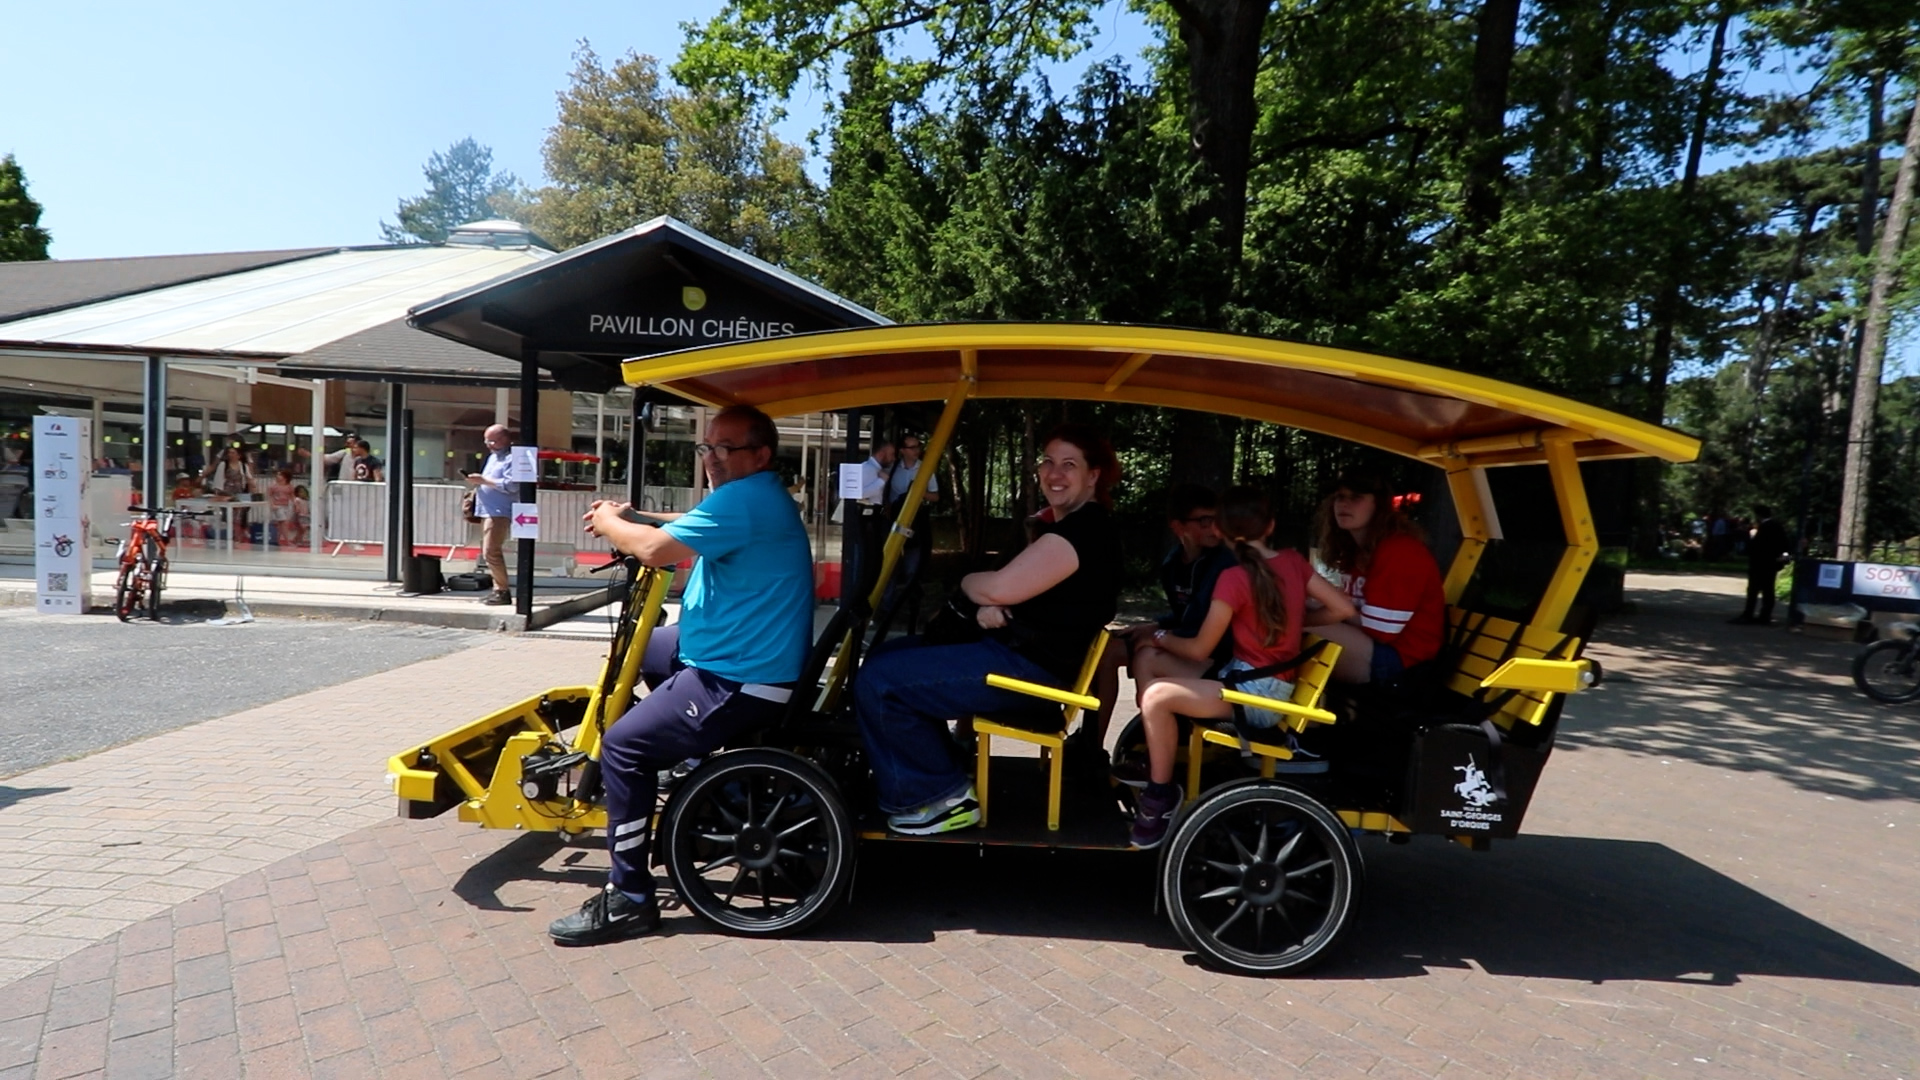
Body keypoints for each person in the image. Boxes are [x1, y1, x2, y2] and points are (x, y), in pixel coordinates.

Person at [547, 405, 813, 946]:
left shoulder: (747, 497)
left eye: (725, 449)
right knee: (643, 651)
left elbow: (653, 550)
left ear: (760, 455)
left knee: (623, 746)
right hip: (729, 655)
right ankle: (685, 753)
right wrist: (638, 518)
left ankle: (630, 900)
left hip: (739, 678)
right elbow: (680, 530)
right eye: (706, 448)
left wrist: (610, 524)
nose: (712, 459)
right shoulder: (748, 497)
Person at [854, 424, 1124, 835]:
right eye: (1048, 462)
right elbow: (1021, 594)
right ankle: (940, 768)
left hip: (1030, 672)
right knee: (886, 657)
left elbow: (997, 585)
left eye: (1069, 465)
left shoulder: (1082, 533)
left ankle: (941, 797)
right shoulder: (1075, 528)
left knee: (880, 681)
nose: (1055, 473)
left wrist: (971, 585)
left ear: (1093, 475)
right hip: (1026, 656)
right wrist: (994, 603)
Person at [1128, 487, 1355, 847]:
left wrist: (1158, 636)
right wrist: (1296, 620)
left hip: (1257, 698)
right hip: (1254, 683)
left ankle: (1161, 793)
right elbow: (1344, 609)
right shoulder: (1294, 562)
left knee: (1156, 696)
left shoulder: (1232, 578)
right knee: (1148, 662)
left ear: (1218, 531)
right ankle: (1161, 758)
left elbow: (1199, 647)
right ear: (1271, 526)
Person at [1090, 484, 1238, 747]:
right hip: (1188, 645)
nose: (1214, 528)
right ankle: (1092, 743)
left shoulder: (1224, 564)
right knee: (1109, 651)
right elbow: (1186, 613)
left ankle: (1153, 742)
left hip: (1218, 658)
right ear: (1178, 527)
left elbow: (1200, 626)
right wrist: (1156, 624)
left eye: (1218, 519)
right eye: (1204, 521)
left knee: (1145, 656)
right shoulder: (1173, 563)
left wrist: (1158, 636)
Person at [1308, 473, 1446, 684]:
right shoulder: (1358, 550)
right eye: (1339, 496)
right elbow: (1352, 608)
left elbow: (1381, 631)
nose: (1343, 503)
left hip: (1401, 663)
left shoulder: (1400, 551)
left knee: (1291, 629)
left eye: (1355, 497)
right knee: (1287, 616)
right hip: (1372, 649)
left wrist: (1335, 608)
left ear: (1379, 506)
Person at [466, 425, 517, 605]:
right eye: (486, 440)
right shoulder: (493, 458)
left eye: (492, 440)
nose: (488, 444)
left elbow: (513, 485)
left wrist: (484, 480)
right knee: (488, 551)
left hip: (499, 512)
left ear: (504, 439)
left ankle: (502, 590)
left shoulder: (512, 458)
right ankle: (498, 589)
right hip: (488, 510)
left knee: (491, 551)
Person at [1735, 504, 1792, 624]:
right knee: (1768, 590)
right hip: (1771, 564)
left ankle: (1748, 614)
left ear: (1758, 515)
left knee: (1753, 590)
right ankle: (1765, 615)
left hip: (1760, 563)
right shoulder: (1777, 526)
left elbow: (1757, 546)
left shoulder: (1764, 527)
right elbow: (1784, 544)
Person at [267, 469, 296, 545]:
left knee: (280, 523)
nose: (278, 476)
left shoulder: (289, 487)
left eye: (280, 475)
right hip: (277, 506)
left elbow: (292, 496)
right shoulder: (273, 486)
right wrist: (272, 505)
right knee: (284, 522)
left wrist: (295, 504)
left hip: (286, 506)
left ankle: (277, 539)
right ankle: (287, 540)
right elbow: (269, 496)